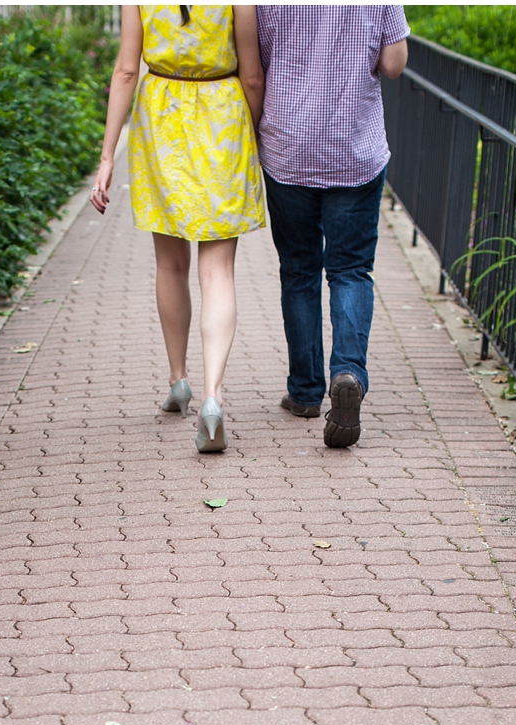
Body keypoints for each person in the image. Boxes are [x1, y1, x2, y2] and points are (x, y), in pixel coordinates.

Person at [93, 5, 266, 454]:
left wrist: (108, 155)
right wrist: (258, 140)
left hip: (162, 119)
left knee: (170, 264)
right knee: (218, 271)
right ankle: (213, 396)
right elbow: (252, 77)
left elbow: (127, 71)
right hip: (223, 119)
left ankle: (179, 381)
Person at [255, 6, 409, 447]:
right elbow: (394, 65)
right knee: (350, 270)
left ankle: (304, 392)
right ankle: (348, 372)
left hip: (288, 144)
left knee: (299, 270)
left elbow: (255, 65)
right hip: (353, 146)